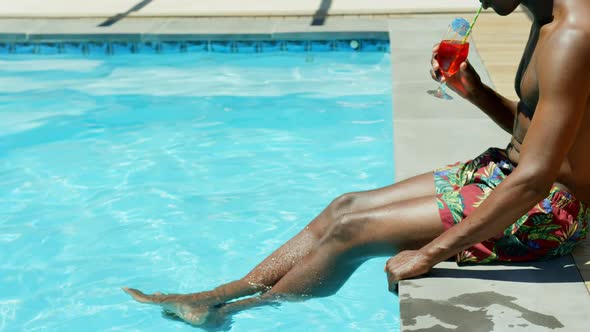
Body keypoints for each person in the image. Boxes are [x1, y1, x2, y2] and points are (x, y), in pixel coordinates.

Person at [123, 0, 590, 327]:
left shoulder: (572, 35)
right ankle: (221, 293)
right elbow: (538, 132)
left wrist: (431, 253)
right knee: (344, 207)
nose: (478, 1)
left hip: (549, 210)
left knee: (354, 233)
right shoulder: (545, 17)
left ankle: (234, 315)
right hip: (510, 176)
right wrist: (477, 93)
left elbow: (535, 178)